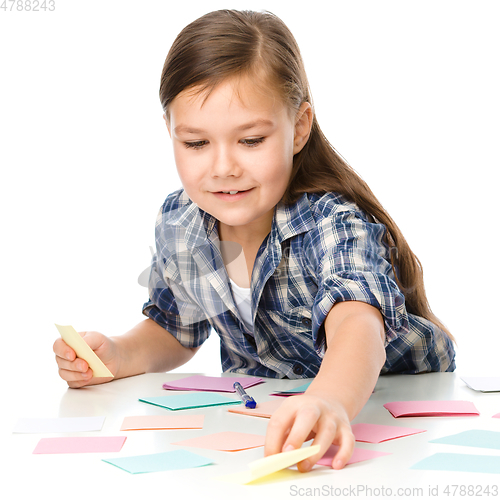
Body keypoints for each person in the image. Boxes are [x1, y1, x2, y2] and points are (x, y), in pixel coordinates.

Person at [53, 9, 455, 471]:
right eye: (196, 144)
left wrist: (329, 400)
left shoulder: (332, 223)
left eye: (250, 140)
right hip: (273, 420)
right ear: (170, 132)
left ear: (299, 127)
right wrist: (119, 353)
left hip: (395, 410)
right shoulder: (180, 221)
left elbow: (356, 326)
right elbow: (175, 329)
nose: (223, 167)